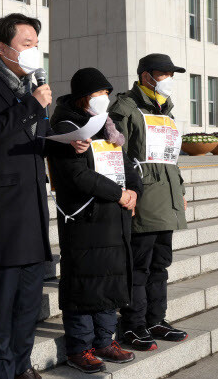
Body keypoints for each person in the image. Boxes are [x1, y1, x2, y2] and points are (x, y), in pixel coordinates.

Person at [0, 13, 90, 379]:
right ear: (3, 48)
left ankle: (22, 365)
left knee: (30, 299)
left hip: (33, 207)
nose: (34, 51)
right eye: (26, 44)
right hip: (1, 208)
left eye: (36, 44)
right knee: (2, 300)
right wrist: (31, 104)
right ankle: (0, 369)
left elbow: (36, 143)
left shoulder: (34, 89)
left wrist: (68, 147)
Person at [47, 68, 142, 373]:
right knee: (84, 282)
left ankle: (104, 339)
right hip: (85, 216)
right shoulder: (66, 126)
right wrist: (119, 194)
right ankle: (80, 347)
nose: (104, 98)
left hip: (112, 216)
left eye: (106, 93)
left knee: (110, 279)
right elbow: (76, 174)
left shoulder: (106, 126)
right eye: (98, 93)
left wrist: (134, 192)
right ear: (82, 97)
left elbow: (125, 164)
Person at [108, 54, 188, 351]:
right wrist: (127, 192)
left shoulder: (166, 110)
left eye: (171, 73)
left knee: (160, 264)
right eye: (162, 73)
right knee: (139, 266)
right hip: (142, 199)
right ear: (145, 76)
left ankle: (156, 319)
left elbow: (171, 158)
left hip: (166, 199)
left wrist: (179, 189)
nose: (168, 78)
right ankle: (134, 324)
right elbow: (117, 155)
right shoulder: (125, 108)